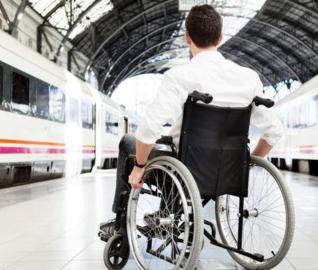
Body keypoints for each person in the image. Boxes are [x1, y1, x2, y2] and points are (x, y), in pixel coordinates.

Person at [103, 4, 284, 229]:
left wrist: (139, 167)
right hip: (229, 171)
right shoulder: (248, 78)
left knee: (127, 142)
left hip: (184, 168)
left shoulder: (180, 76)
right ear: (220, 38)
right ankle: (166, 213)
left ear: (187, 37)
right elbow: (275, 130)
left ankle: (120, 224)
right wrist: (247, 164)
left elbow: (149, 128)